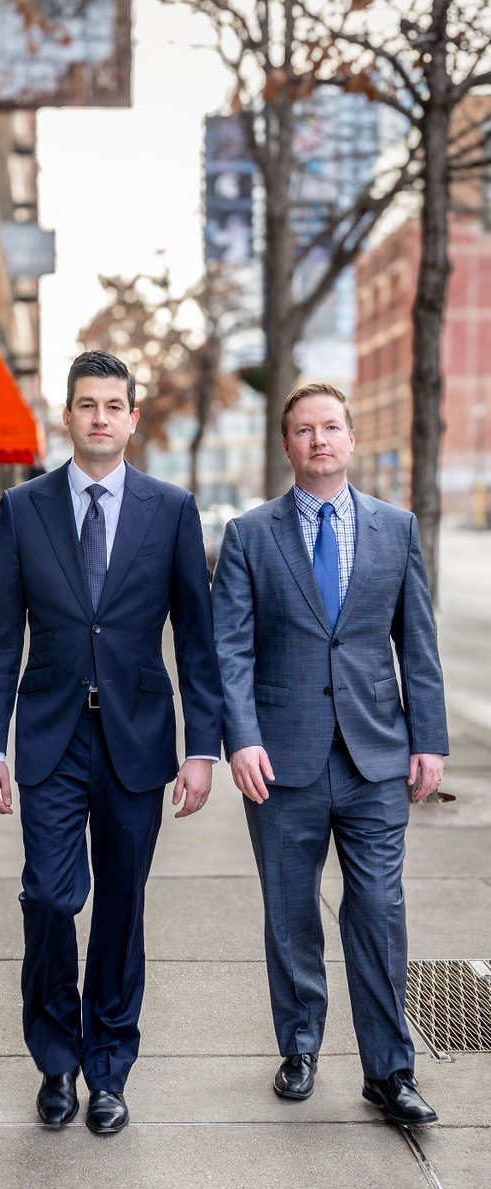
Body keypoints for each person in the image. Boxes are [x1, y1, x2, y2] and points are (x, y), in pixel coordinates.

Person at [0, 351, 222, 1135]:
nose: (101, 418)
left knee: (120, 904)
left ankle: (109, 1066)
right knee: (49, 896)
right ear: (69, 416)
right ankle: (55, 1057)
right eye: (87, 405)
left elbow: (198, 635)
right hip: (50, 736)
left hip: (137, 737)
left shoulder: (171, 508)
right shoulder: (24, 508)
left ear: (133, 417)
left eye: (114, 405)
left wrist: (202, 746)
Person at [212, 383, 448, 1127]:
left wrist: (430, 739)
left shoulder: (395, 528)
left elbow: (418, 642)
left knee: (378, 910)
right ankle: (301, 1045)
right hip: (282, 759)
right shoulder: (250, 535)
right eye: (304, 430)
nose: (319, 440)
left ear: (351, 439)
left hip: (376, 755)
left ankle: (390, 1070)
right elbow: (231, 651)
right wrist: (241, 737)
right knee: (291, 916)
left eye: (331, 427)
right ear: (287, 446)